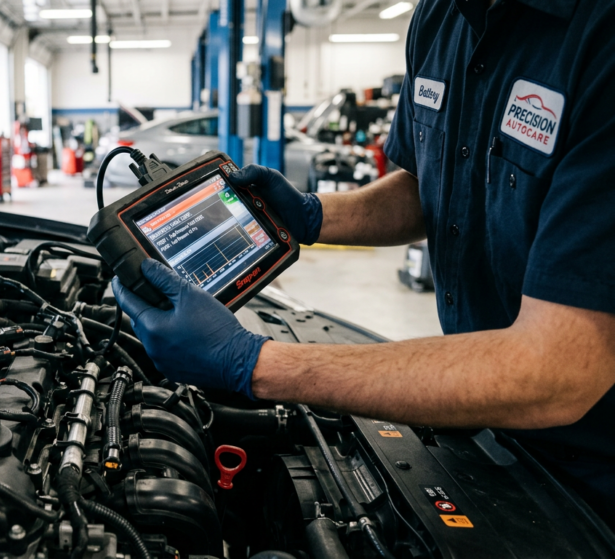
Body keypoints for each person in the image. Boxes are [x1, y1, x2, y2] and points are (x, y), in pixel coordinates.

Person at [112, 0, 615, 528]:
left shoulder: (598, 36)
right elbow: (429, 186)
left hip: (595, 473)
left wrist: (254, 363)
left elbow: (557, 371)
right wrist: (311, 215)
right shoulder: (440, 18)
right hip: (490, 422)